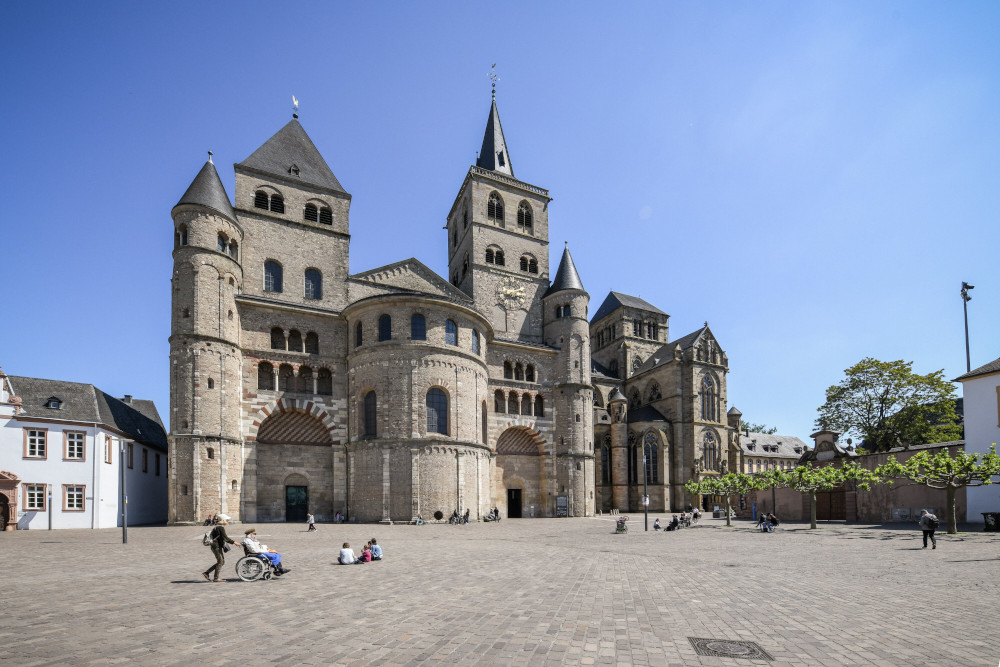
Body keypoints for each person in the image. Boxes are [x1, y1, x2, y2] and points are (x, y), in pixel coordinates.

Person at [202, 514, 238, 582]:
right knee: (220, 562)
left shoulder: (218, 527)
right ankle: (215, 578)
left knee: (221, 562)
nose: (227, 521)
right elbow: (225, 538)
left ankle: (207, 573)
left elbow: (222, 538)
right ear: (223, 520)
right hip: (216, 547)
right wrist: (234, 542)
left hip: (216, 546)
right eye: (227, 520)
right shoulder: (220, 528)